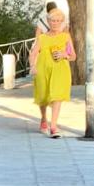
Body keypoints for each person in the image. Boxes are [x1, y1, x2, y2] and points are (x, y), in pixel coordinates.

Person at [30, 8, 76, 138]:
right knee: (43, 96)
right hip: (43, 69)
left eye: (58, 21)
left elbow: (73, 56)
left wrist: (64, 54)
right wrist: (32, 66)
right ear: (48, 21)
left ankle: (54, 126)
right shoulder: (42, 38)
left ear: (62, 22)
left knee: (57, 96)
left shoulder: (66, 37)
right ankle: (44, 119)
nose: (55, 23)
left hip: (61, 70)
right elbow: (33, 54)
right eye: (53, 20)